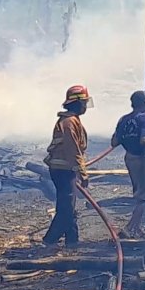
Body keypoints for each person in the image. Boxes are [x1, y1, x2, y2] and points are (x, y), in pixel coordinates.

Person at [42, 84, 92, 248]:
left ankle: (72, 241)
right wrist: (82, 172)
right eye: (84, 103)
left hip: (65, 169)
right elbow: (72, 149)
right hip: (62, 170)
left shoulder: (72, 120)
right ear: (76, 103)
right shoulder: (70, 122)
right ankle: (50, 240)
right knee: (66, 208)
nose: (85, 106)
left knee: (67, 204)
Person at [111, 90, 145, 237]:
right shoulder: (144, 119)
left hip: (129, 158)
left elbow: (114, 142)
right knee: (143, 196)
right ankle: (129, 228)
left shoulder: (123, 119)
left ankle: (137, 228)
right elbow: (144, 140)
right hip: (139, 159)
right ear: (144, 104)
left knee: (138, 192)